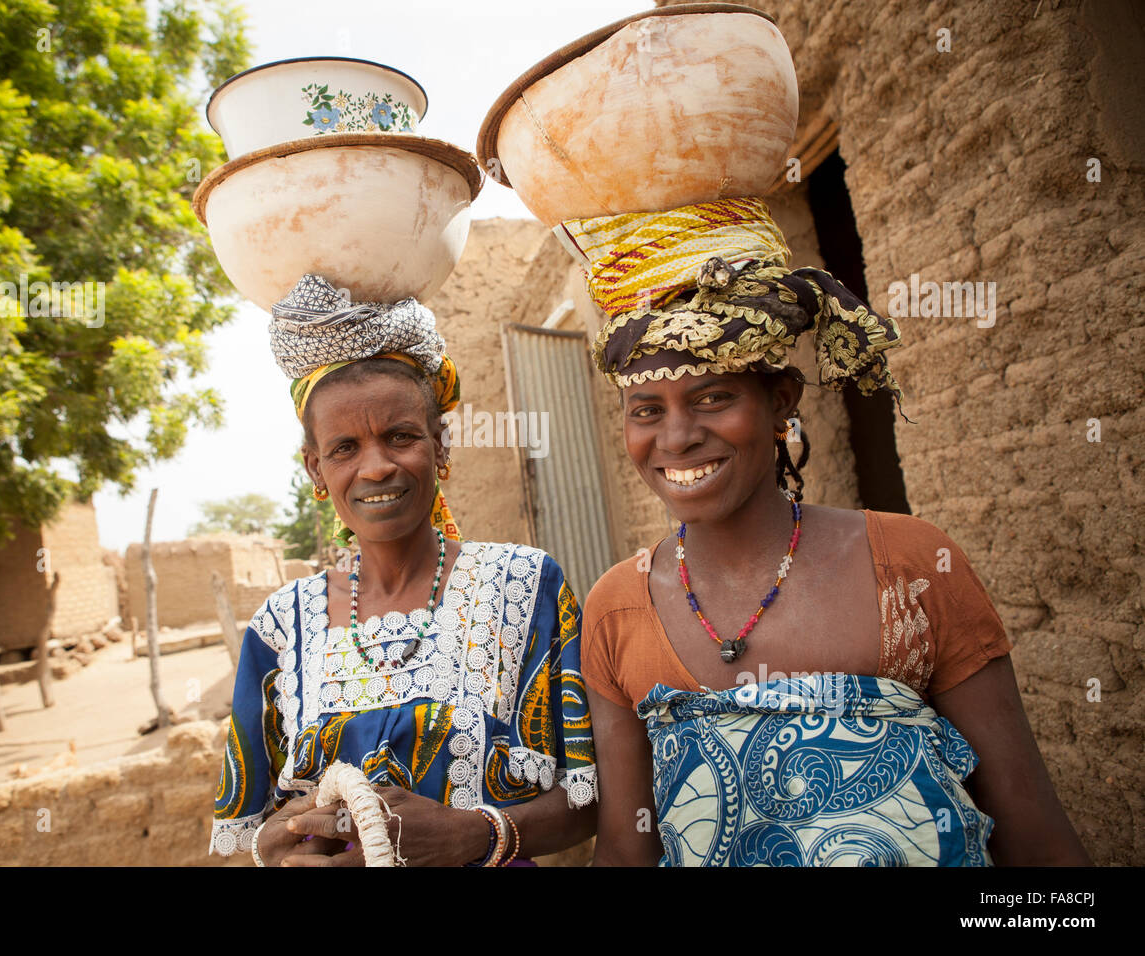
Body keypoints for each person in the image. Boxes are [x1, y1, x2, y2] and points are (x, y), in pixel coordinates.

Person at [571, 199, 1088, 866]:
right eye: (647, 410)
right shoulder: (616, 608)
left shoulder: (909, 565)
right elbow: (624, 848)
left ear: (781, 400)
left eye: (713, 398)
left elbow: (1031, 824)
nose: (676, 437)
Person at [209, 274, 597, 867]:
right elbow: (249, 832)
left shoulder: (523, 586)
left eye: (400, 437)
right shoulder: (281, 626)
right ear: (315, 469)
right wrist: (281, 846)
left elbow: (590, 799)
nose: (376, 468)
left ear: (440, 446)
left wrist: (472, 837)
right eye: (344, 448)